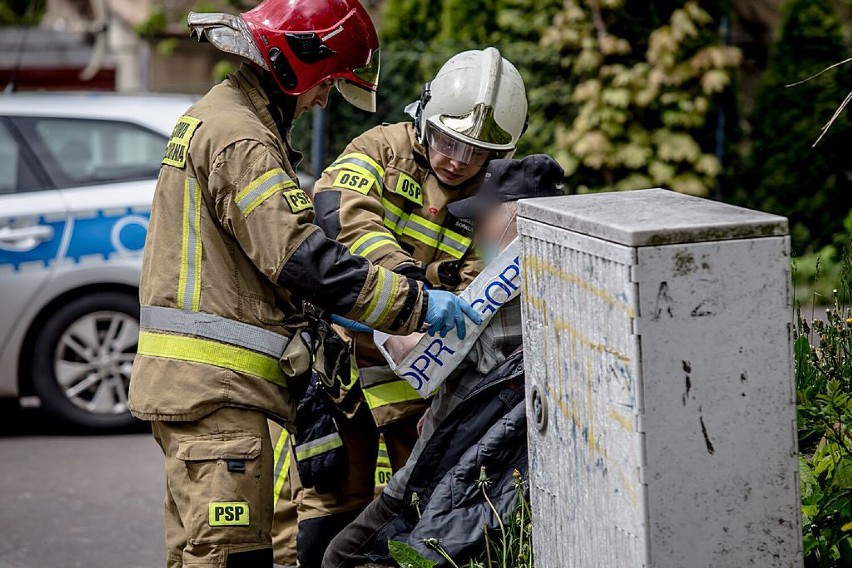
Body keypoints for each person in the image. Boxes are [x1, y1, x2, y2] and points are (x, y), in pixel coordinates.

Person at [127, 1, 480, 566]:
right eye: (326, 85)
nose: (321, 102)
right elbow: (302, 260)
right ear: (297, 66)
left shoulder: (224, 119)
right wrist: (414, 304)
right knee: (233, 559)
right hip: (216, 393)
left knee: (200, 556)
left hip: (202, 392)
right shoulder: (242, 139)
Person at [282, 48, 529, 565]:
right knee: (321, 512)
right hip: (341, 376)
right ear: (424, 115)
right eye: (449, 140)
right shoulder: (378, 149)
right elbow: (341, 220)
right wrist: (411, 295)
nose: (459, 160)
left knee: (410, 521)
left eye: (477, 151)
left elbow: (478, 286)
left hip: (416, 391)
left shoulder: (492, 195)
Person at [323, 154, 565, 568]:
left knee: (342, 555)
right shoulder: (550, 285)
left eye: (485, 218)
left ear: (516, 221)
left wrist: (371, 310)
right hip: (462, 476)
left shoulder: (501, 300)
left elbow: (413, 350)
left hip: (446, 480)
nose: (479, 233)